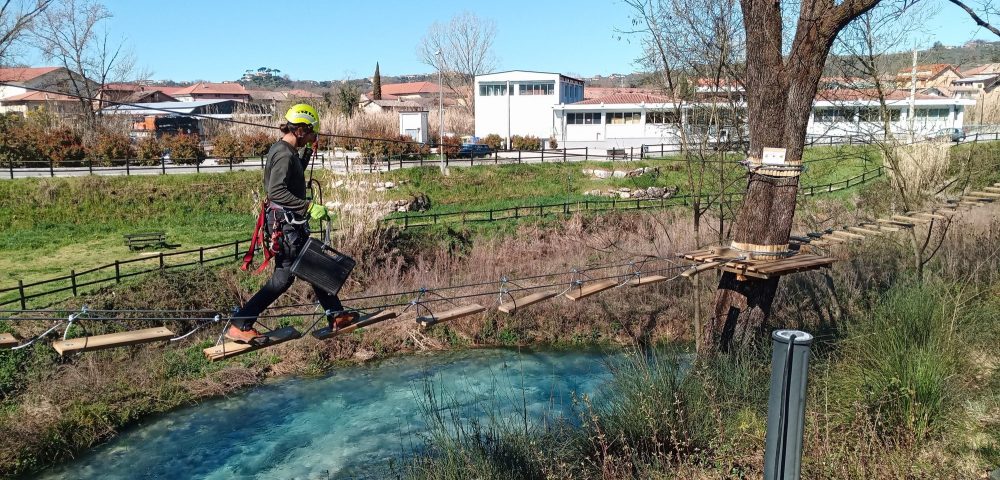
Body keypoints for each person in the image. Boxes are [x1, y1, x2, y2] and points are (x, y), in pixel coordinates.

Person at [227, 104, 354, 342]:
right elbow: (276, 191)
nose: (315, 136)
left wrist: (306, 155)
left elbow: (292, 178)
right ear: (300, 130)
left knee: (311, 265)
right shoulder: (285, 154)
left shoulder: (285, 150)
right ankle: (240, 323)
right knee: (286, 277)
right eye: (313, 132)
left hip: (287, 225)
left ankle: (336, 314)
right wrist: (308, 206)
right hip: (286, 227)